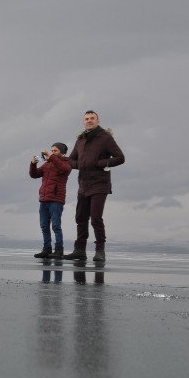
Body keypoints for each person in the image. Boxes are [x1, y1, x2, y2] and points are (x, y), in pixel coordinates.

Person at [62, 110, 125, 263]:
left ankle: (100, 251)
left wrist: (100, 164)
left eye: (92, 118)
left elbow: (120, 158)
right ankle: (80, 250)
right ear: (83, 122)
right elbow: (70, 160)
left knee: (96, 217)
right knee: (81, 217)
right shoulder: (80, 140)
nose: (89, 121)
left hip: (100, 183)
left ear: (98, 120)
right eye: (86, 119)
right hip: (83, 184)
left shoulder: (105, 138)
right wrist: (81, 165)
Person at [29, 142, 72, 259]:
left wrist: (50, 157)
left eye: (55, 151)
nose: (52, 153)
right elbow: (34, 175)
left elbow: (63, 169)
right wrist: (33, 164)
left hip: (56, 200)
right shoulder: (47, 164)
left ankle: (59, 250)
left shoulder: (66, 164)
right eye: (51, 150)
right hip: (44, 200)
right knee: (44, 226)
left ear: (62, 153)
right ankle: (46, 249)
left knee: (56, 226)